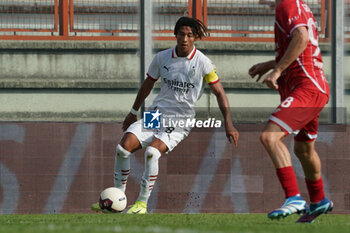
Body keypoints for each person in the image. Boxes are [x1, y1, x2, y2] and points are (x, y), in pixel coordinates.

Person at [91, 16, 239, 214]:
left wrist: (228, 123)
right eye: (181, 34)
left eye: (189, 35)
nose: (184, 39)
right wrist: (133, 112)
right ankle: (117, 198)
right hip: (156, 115)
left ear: (195, 37)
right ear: (175, 35)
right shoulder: (162, 58)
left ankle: (142, 203)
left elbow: (220, 93)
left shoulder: (203, 62)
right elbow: (148, 84)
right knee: (122, 148)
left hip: (180, 119)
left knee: (152, 153)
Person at [249, 0, 332, 223]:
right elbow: (301, 46)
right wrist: (270, 64)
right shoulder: (298, 5)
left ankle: (294, 197)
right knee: (304, 150)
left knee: (269, 136)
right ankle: (319, 200)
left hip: (306, 87)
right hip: (313, 86)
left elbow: (302, 38)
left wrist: (276, 71)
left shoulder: (287, 4)